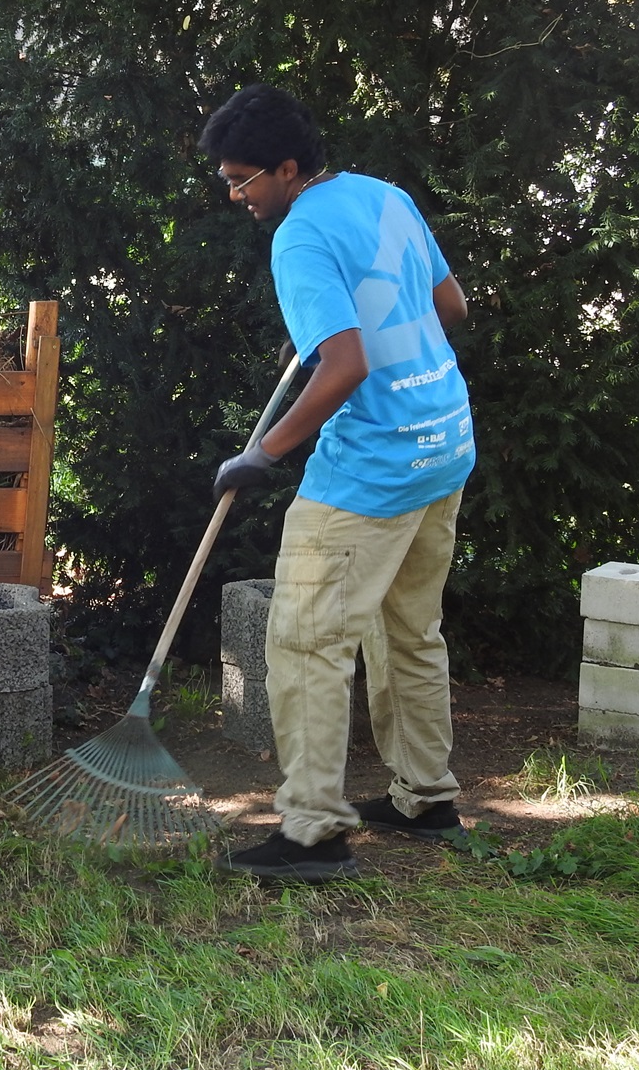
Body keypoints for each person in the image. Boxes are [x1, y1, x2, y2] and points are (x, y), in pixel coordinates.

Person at [201, 84, 476, 882]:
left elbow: (346, 366)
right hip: (444, 443)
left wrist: (266, 454)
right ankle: (428, 799)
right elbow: (450, 307)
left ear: (288, 169)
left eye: (244, 179)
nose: (235, 194)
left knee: (308, 641)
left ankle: (313, 831)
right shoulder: (386, 198)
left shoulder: (300, 237)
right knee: (409, 630)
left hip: (375, 468)